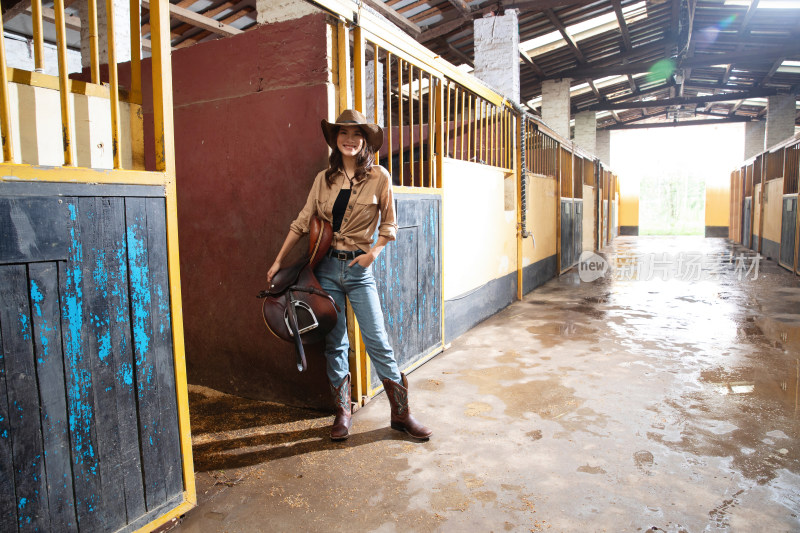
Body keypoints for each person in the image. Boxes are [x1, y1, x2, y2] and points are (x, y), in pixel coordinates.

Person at [267, 109, 432, 441]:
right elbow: (302, 221)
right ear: (335, 139)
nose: (350, 140)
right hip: (325, 270)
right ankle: (343, 413)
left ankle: (401, 414)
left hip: (359, 268)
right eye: (343, 133)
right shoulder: (323, 180)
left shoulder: (379, 177)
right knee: (336, 343)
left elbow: (390, 224)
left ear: (366, 141)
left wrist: (374, 253)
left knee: (378, 342)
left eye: (357, 134)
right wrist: (277, 261)